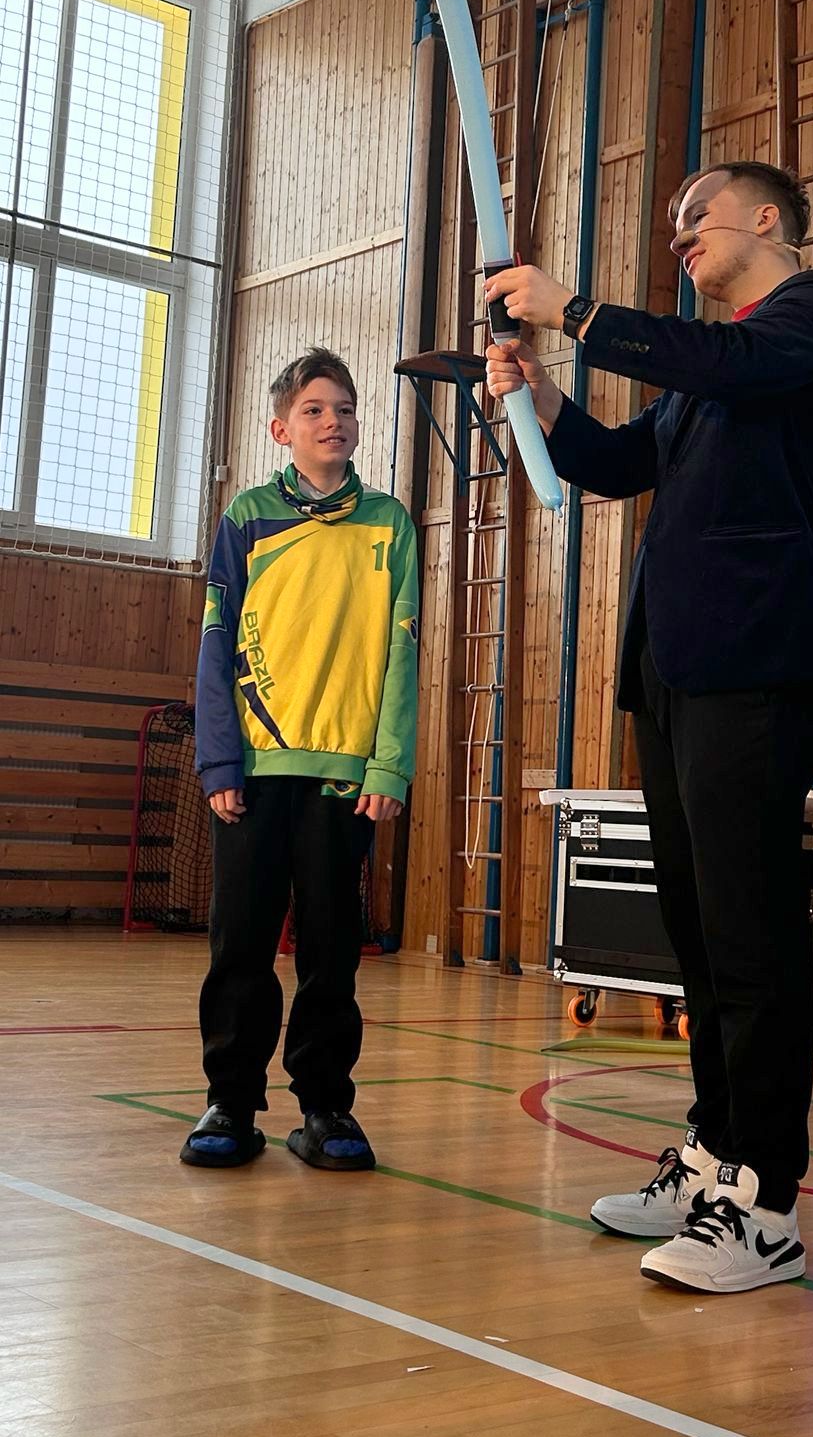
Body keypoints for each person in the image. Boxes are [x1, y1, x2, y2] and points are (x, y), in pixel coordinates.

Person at [485, 161, 813, 1293]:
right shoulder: (706, 378)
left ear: (767, 218)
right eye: (672, 222)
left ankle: (765, 1203)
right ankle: (712, 1152)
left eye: (696, 215)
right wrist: (542, 401)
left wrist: (572, 312)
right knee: (699, 934)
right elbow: (616, 462)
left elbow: (723, 361)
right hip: (672, 671)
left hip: (756, 667)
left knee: (751, 935)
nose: (679, 235)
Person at [182, 346, 419, 1173]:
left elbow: (401, 655)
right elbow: (215, 645)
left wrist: (389, 767)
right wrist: (219, 760)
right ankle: (229, 1101)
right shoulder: (247, 516)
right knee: (240, 945)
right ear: (281, 428)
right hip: (253, 771)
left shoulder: (390, 523)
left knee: (331, 950)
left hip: (344, 777)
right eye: (314, 409)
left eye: (345, 408)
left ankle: (325, 1106)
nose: (333, 421)